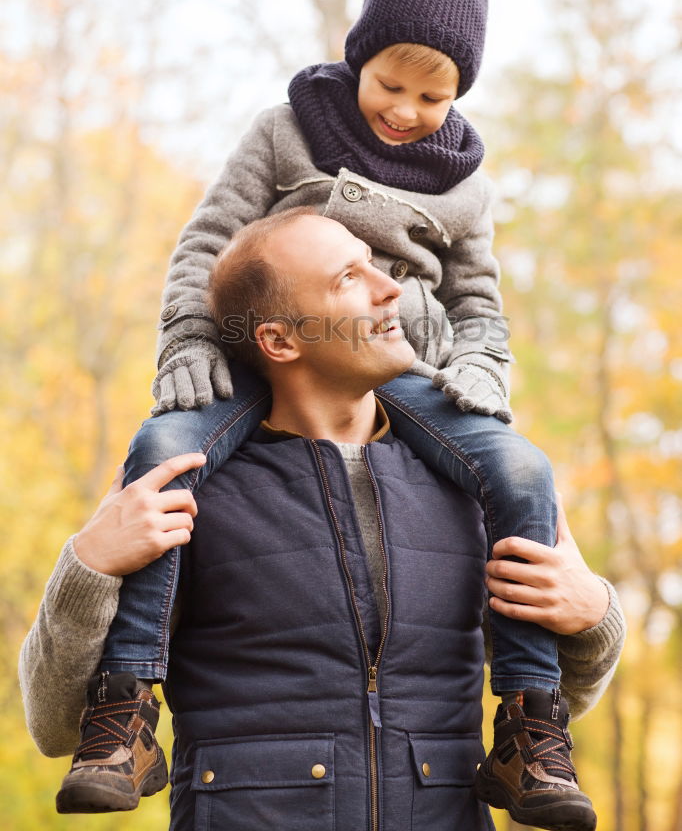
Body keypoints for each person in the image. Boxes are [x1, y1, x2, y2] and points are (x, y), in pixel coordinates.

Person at [21, 213, 625, 830]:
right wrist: (89, 566)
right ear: (280, 340)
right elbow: (54, 726)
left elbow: (551, 722)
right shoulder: (187, 489)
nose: (392, 287)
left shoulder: (472, 487)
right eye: (347, 279)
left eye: (374, 263)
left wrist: (593, 619)